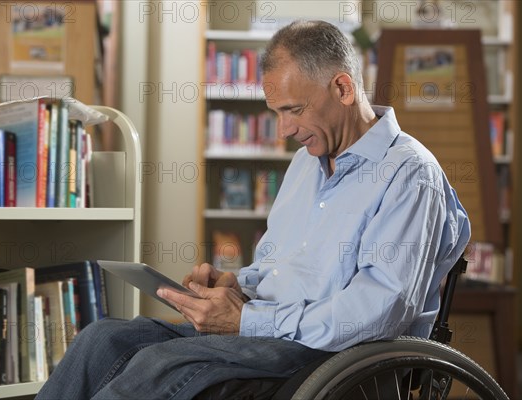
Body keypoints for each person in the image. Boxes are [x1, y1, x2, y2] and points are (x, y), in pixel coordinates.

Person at [36, 20, 470, 399]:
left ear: (342, 87)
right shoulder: (305, 165)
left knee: (158, 366)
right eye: (276, 113)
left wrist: (250, 321)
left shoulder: (411, 175)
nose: (285, 130)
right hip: (266, 333)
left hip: (332, 355)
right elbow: (277, 266)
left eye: (294, 110)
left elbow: (378, 311)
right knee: (104, 339)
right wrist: (236, 287)